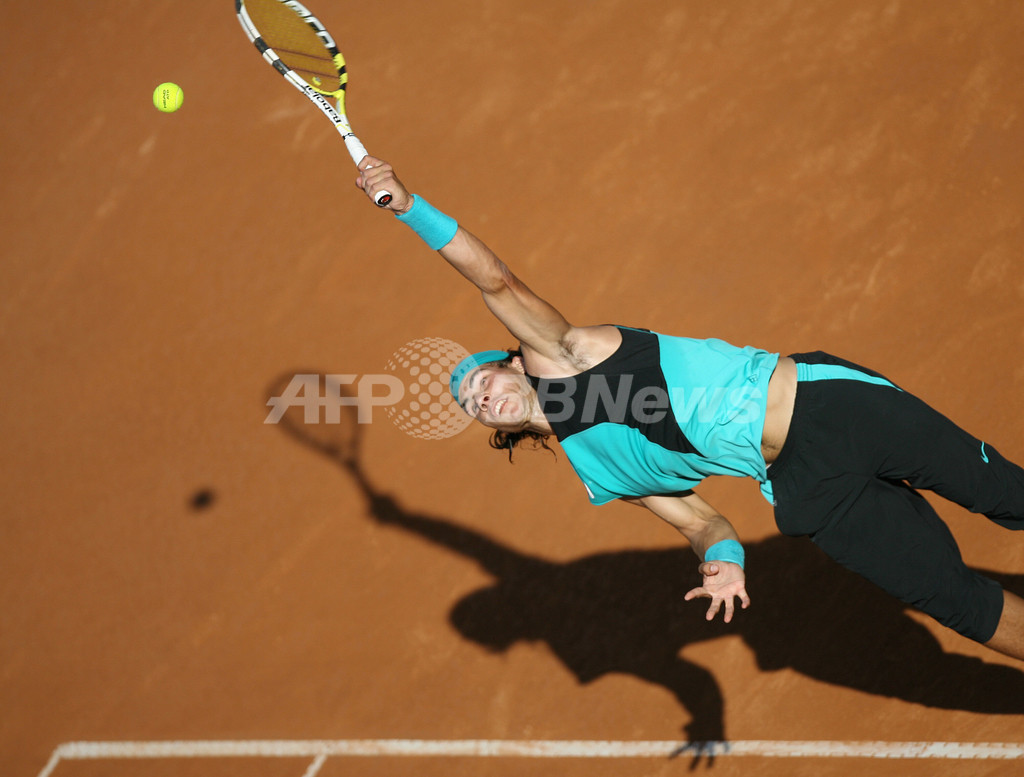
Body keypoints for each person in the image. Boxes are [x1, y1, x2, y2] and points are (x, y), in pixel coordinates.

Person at [355, 156, 1024, 662]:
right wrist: (723, 558)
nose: (480, 396)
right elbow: (700, 520)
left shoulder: (565, 354)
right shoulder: (596, 466)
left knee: (1006, 494)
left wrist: (409, 206)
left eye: (483, 378)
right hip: (806, 487)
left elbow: (491, 277)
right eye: (471, 403)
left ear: (515, 361)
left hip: (834, 406)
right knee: (953, 601)